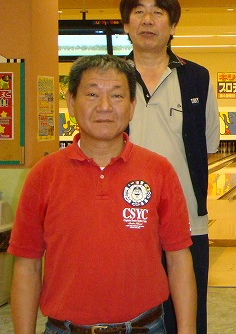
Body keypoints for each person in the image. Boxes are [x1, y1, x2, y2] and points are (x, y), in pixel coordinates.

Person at [8, 55, 196, 334]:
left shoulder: (159, 170)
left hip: (146, 327)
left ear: (132, 106)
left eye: (117, 95)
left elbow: (179, 259)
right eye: (92, 94)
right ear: (71, 102)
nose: (105, 106)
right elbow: (27, 266)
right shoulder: (43, 174)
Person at [119, 0, 220, 334]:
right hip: (122, 219)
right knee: (128, 314)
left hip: (187, 221)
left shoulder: (198, 78)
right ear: (126, 24)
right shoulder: (108, 77)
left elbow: (208, 146)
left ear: (173, 25)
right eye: (139, 12)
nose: (148, 20)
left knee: (187, 317)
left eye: (158, 12)